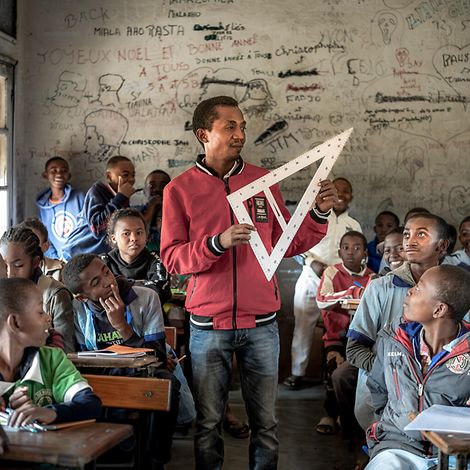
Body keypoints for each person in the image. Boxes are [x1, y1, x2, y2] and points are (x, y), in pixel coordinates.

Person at [160, 95, 337, 470]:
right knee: (208, 425)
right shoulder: (179, 190)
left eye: (242, 126)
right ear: (203, 134)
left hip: (262, 325)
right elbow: (173, 257)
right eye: (230, 126)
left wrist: (319, 212)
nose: (240, 133)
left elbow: (287, 243)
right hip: (208, 326)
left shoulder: (261, 181)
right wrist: (215, 243)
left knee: (267, 425)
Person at [62, 254, 179, 470]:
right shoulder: (77, 310)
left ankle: (155, 461)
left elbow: (159, 358)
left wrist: (122, 328)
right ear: (81, 297)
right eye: (96, 282)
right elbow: (82, 358)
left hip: (142, 375)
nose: (108, 281)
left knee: (167, 384)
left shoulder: (145, 298)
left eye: (106, 271)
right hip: (103, 377)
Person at [345, 213, 449, 431]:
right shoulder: (381, 288)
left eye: (421, 234)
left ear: (441, 246)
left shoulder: (454, 289)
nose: (410, 241)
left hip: (440, 396)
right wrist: (395, 375)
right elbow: (355, 349)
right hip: (383, 396)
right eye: (406, 234)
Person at [365, 265, 470, 470]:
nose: (410, 291)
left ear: (439, 309)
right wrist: (392, 426)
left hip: (455, 454)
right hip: (397, 445)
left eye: (419, 288)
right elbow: (379, 390)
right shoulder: (394, 338)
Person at [284, 177, 362, 390]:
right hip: (310, 277)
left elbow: (356, 255)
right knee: (303, 326)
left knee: (338, 327)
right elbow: (296, 247)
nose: (341, 195)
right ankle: (297, 373)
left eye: (346, 191)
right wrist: (311, 262)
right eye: (337, 190)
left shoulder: (353, 225)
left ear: (351, 197)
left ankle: (334, 374)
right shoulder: (313, 219)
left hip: (339, 283)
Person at [0, 277, 101, 428]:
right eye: (40, 312)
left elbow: (91, 404)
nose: (49, 318)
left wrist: (48, 412)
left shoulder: (52, 359)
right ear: (15, 322)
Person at [315, 231, 374, 436]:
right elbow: (322, 299)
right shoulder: (332, 272)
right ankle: (331, 414)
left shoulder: (372, 277)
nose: (351, 252)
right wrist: (351, 292)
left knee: (356, 379)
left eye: (357, 248)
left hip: (362, 340)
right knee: (335, 370)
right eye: (346, 247)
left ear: (365, 253)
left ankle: (350, 419)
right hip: (335, 336)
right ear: (339, 251)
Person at [0, 226, 75, 353]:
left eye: (18, 265)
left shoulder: (55, 294)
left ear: (36, 262)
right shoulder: (3, 294)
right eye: (4, 265)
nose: (10, 273)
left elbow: (66, 351)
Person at [62, 156, 135, 261]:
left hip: (96, 259)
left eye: (133, 175)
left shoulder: (122, 198)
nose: (131, 179)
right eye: (125, 175)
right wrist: (120, 197)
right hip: (76, 256)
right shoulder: (97, 191)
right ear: (109, 176)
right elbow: (97, 229)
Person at [102, 208, 171, 304]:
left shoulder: (157, 260)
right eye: (126, 233)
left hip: (149, 317)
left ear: (146, 236)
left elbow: (160, 291)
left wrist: (119, 287)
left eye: (139, 232)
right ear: (114, 238)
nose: (134, 238)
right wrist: (142, 286)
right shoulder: (103, 262)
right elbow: (98, 293)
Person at [36, 157, 84, 260]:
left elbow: (86, 229)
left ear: (69, 175)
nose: (59, 174)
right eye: (53, 170)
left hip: (80, 257)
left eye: (64, 171)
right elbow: (45, 237)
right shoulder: (43, 207)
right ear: (45, 175)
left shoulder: (79, 197)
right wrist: (55, 259)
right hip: (58, 260)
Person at [140, 170, 172, 253]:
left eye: (163, 186)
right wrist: (150, 209)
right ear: (144, 191)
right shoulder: (137, 213)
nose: (157, 189)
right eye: (152, 186)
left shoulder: (176, 212)